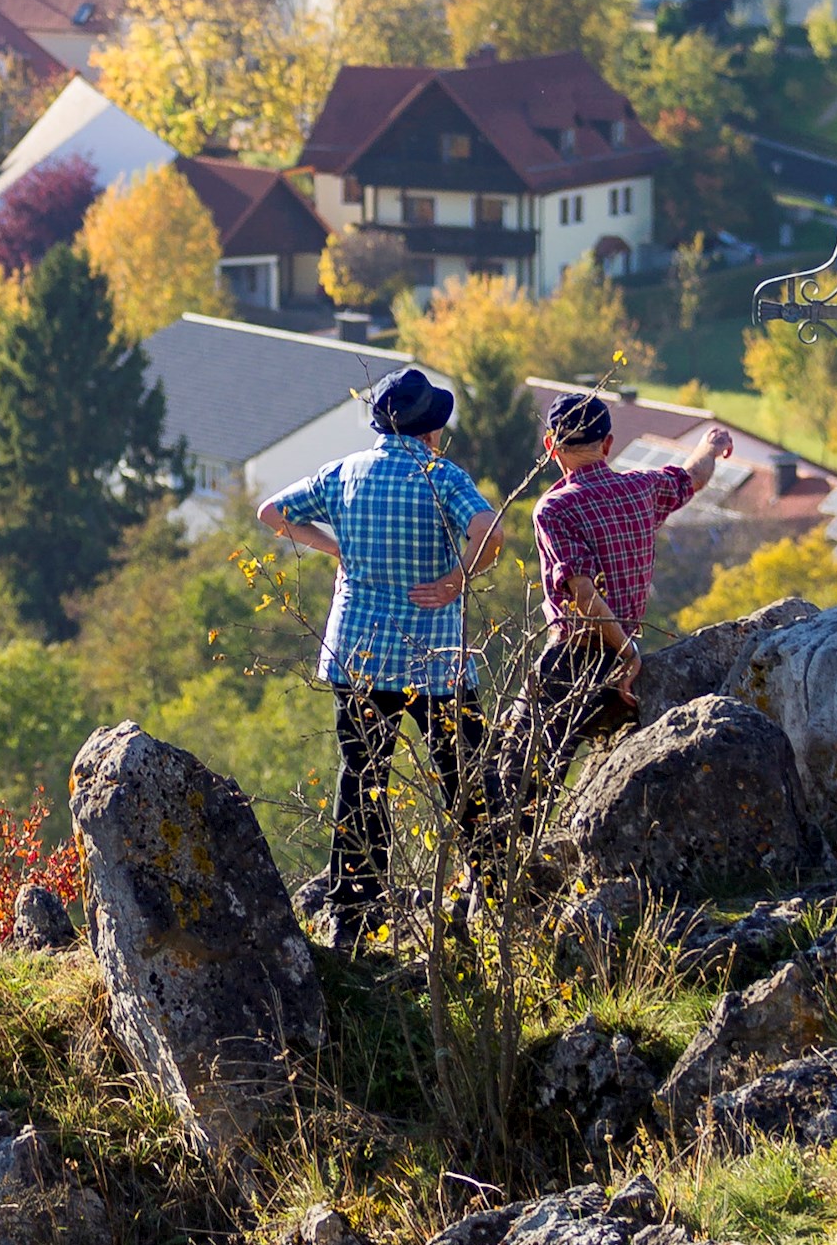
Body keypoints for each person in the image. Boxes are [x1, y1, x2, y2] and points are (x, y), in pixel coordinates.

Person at [257, 361, 502, 946]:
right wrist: (457, 579)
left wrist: (332, 547)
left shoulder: (343, 472)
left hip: (358, 653)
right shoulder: (441, 475)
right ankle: (494, 885)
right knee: (463, 770)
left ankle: (356, 904)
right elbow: (490, 532)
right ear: (429, 430)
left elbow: (271, 513)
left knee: (362, 774)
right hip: (433, 655)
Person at [509, 389, 733, 790]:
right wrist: (710, 446)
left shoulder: (555, 508)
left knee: (518, 783)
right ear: (608, 444)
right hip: (620, 660)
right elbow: (694, 477)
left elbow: (582, 592)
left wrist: (629, 655)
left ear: (550, 446)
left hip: (572, 659)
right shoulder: (641, 490)